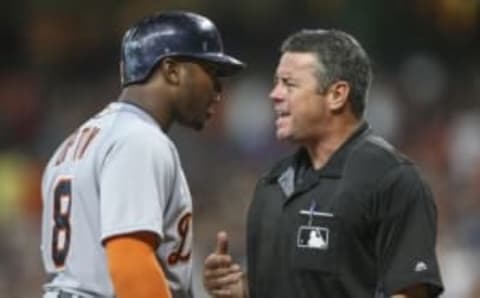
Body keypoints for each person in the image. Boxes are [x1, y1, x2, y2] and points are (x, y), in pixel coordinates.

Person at [203, 29, 444, 298]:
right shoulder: (272, 184)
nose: (274, 94)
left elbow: (408, 292)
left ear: (337, 95)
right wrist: (240, 289)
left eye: (289, 84)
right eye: (276, 83)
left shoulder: (392, 180)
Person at [40, 11, 245, 298]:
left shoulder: (74, 144)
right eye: (210, 72)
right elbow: (130, 263)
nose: (218, 90)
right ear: (171, 70)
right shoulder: (138, 140)